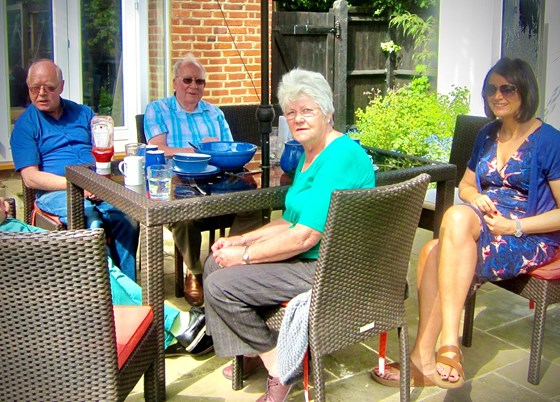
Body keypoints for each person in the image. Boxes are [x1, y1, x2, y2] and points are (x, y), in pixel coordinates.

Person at [371, 57, 560, 389]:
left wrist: (514, 227)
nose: (497, 95)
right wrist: (475, 199)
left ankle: (438, 349)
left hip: (529, 236)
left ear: (525, 91)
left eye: (507, 88)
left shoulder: (549, 141)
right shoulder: (487, 134)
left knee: (436, 247)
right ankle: (433, 355)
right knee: (443, 234)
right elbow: (467, 186)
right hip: (483, 224)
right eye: (491, 89)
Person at [203, 68, 376, 402]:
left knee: (220, 284)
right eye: (291, 112)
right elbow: (291, 221)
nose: (298, 118)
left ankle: (280, 367)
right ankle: (254, 347)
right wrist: (242, 240)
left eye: (307, 110)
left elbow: (305, 237)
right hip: (309, 257)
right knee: (214, 263)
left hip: (332, 270)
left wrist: (245, 257)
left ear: (328, 112)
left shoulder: (340, 157)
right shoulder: (310, 155)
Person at [0, 196, 213, 356]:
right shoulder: (26, 134)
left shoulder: (84, 133)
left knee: (117, 229)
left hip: (18, 230)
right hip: (21, 233)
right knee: (90, 259)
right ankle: (177, 324)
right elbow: (30, 177)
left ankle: (149, 328)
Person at [143, 53, 263, 306]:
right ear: (175, 82)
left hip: (217, 182)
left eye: (200, 82)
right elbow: (158, 149)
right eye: (187, 80)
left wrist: (220, 151)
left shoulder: (214, 112)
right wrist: (200, 150)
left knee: (256, 205)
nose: (194, 86)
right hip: (178, 182)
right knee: (183, 215)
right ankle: (195, 271)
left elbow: (229, 149)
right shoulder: (158, 109)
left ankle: (222, 263)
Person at [10, 59, 139, 282]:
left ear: (61, 86)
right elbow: (30, 178)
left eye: (49, 87)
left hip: (95, 185)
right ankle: (100, 290)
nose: (41, 93)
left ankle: (127, 288)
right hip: (56, 192)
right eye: (34, 88)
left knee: (128, 218)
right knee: (93, 221)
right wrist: (78, 186)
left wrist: (100, 179)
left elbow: (103, 148)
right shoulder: (25, 125)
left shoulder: (83, 114)